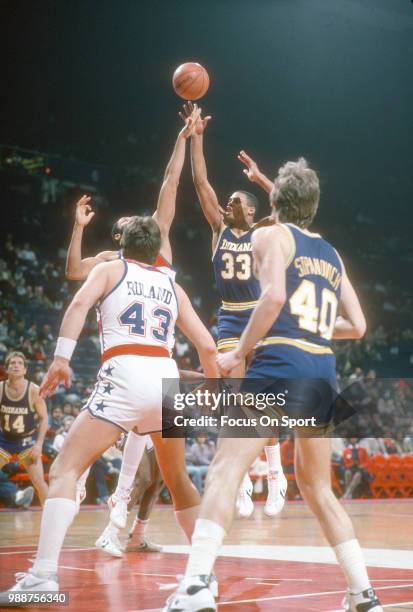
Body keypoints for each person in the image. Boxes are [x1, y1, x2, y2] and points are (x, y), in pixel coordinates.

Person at [165, 157, 383, 612]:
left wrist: (240, 349)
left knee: (226, 468)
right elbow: (358, 326)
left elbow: (275, 296)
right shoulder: (333, 254)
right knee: (319, 489)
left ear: (275, 202)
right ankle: (363, 594)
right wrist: (310, 329)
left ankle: (196, 585)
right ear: (314, 205)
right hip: (321, 371)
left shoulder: (270, 235)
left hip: (279, 361)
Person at [4, 214, 219, 595]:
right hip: (166, 379)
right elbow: (206, 346)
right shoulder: (173, 285)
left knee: (66, 468)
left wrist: (61, 358)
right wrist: (215, 390)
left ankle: (43, 575)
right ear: (156, 251)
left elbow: (77, 306)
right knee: (178, 479)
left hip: (126, 371)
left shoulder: (110, 269)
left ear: (123, 245)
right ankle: (203, 576)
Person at [84, 107, 203, 554]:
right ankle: (115, 517)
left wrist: (185, 139)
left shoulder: (160, 254)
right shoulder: (116, 266)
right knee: (156, 466)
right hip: (137, 364)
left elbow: (171, 184)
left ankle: (121, 522)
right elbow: (77, 272)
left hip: (153, 363)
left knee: (162, 475)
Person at [182, 102, 286, 517]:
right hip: (229, 316)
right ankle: (242, 481)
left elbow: (289, 206)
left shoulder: (264, 231)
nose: (228, 203)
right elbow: (199, 180)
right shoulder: (218, 229)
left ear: (252, 209)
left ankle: (276, 475)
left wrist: (259, 177)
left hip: (260, 316)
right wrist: (198, 137)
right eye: (226, 201)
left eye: (236, 201)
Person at [0, 351, 49, 505]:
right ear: (6, 369)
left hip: (26, 441)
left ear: (25, 370)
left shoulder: (34, 390)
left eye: (20, 363)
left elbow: (44, 418)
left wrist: (39, 445)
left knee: (39, 482)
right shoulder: (0, 389)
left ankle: (51, 520)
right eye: (12, 363)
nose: (16, 366)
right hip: (4, 439)